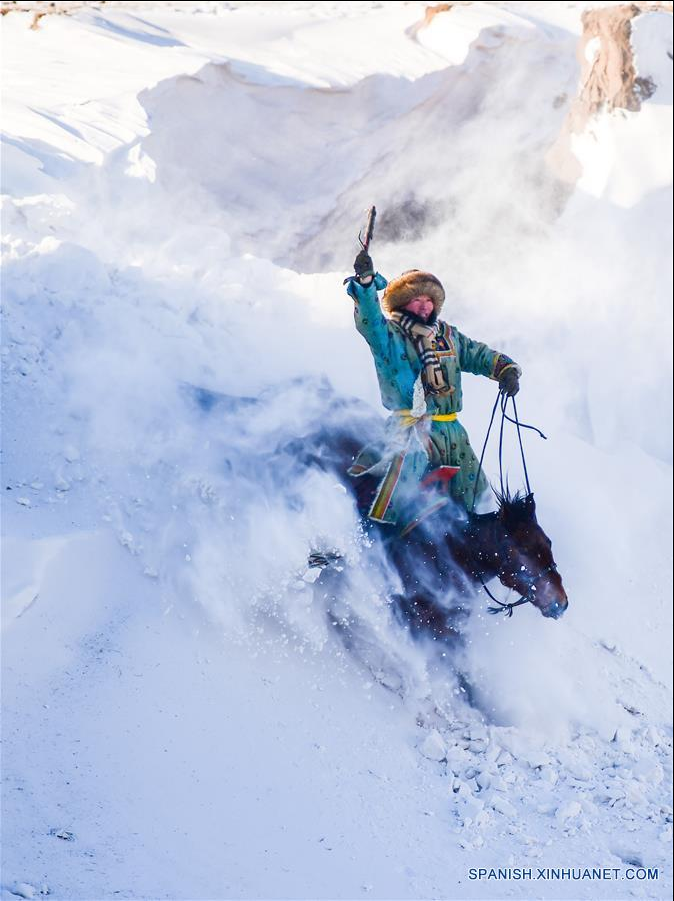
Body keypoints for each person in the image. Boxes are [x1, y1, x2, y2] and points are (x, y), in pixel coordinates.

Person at [345, 249, 521, 529]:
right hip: (409, 430)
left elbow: (477, 355)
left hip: (452, 431)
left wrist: (505, 370)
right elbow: (369, 320)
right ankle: (370, 538)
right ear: (403, 303)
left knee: (478, 493)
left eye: (429, 299)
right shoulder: (388, 336)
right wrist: (366, 284)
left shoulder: (448, 336)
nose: (425, 306)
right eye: (417, 299)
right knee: (396, 490)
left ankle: (480, 552)